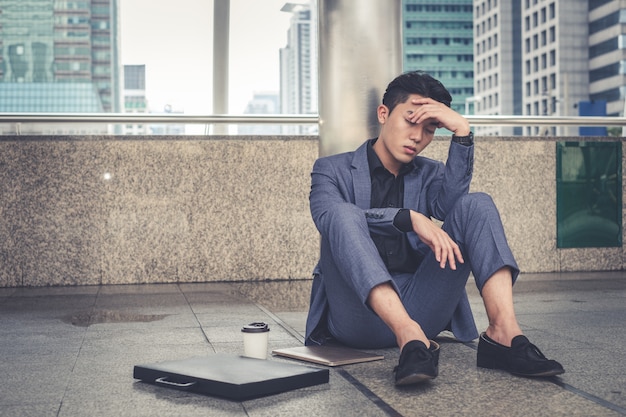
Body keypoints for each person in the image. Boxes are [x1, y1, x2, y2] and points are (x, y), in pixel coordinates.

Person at [305, 70, 564, 385]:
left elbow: (452, 206)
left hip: (421, 305)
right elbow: (327, 218)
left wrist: (462, 133)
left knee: (477, 204)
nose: (418, 137)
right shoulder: (331, 169)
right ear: (384, 114)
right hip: (357, 316)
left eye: (430, 130)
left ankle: (504, 333)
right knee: (343, 215)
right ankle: (408, 337)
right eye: (411, 122)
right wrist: (408, 217)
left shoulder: (429, 173)